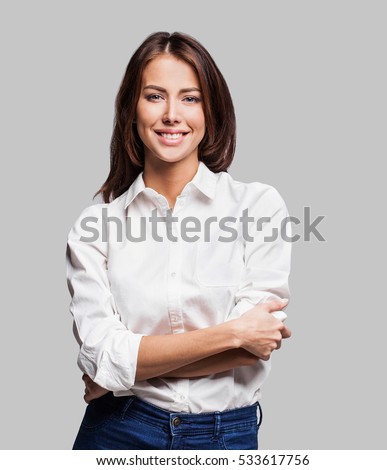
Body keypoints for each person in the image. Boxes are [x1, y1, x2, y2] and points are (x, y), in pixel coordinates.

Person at [66, 31, 292, 451]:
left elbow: (256, 347)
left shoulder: (258, 206)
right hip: (120, 430)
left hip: (228, 437)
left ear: (211, 111)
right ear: (131, 110)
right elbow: (102, 351)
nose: (172, 114)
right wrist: (233, 333)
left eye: (190, 98)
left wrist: (121, 370)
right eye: (155, 96)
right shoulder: (95, 225)